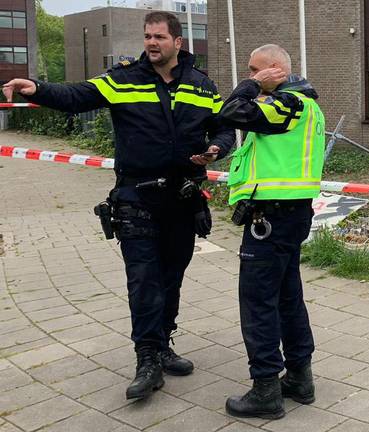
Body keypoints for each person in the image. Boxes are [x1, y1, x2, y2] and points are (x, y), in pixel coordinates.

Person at [3, 11, 235, 401]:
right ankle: (147, 360)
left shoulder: (202, 85)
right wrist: (37, 88)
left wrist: (216, 148)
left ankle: (162, 344)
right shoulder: (123, 79)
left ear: (178, 42)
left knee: (171, 278)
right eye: (147, 36)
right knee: (143, 280)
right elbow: (77, 96)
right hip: (136, 199)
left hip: (183, 200)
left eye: (159, 37)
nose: (152, 43)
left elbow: (223, 126)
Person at [216, 44, 324, 420]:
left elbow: (230, 111)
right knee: (287, 297)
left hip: (272, 217)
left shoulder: (288, 103)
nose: (251, 75)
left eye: (256, 69)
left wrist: (251, 85)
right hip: (288, 214)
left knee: (258, 302)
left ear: (275, 69)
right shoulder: (301, 104)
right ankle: (299, 378)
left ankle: (265, 389)